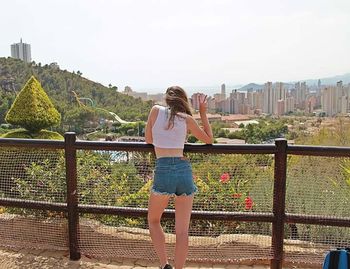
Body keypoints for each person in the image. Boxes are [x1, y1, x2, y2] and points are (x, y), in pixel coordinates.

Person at [145, 86, 213, 269]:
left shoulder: (154, 111)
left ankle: (164, 265)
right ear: (184, 101)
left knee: (153, 220)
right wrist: (203, 113)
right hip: (183, 169)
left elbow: (149, 140)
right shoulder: (187, 119)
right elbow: (209, 140)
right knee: (182, 230)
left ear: (167, 99)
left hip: (164, 168)